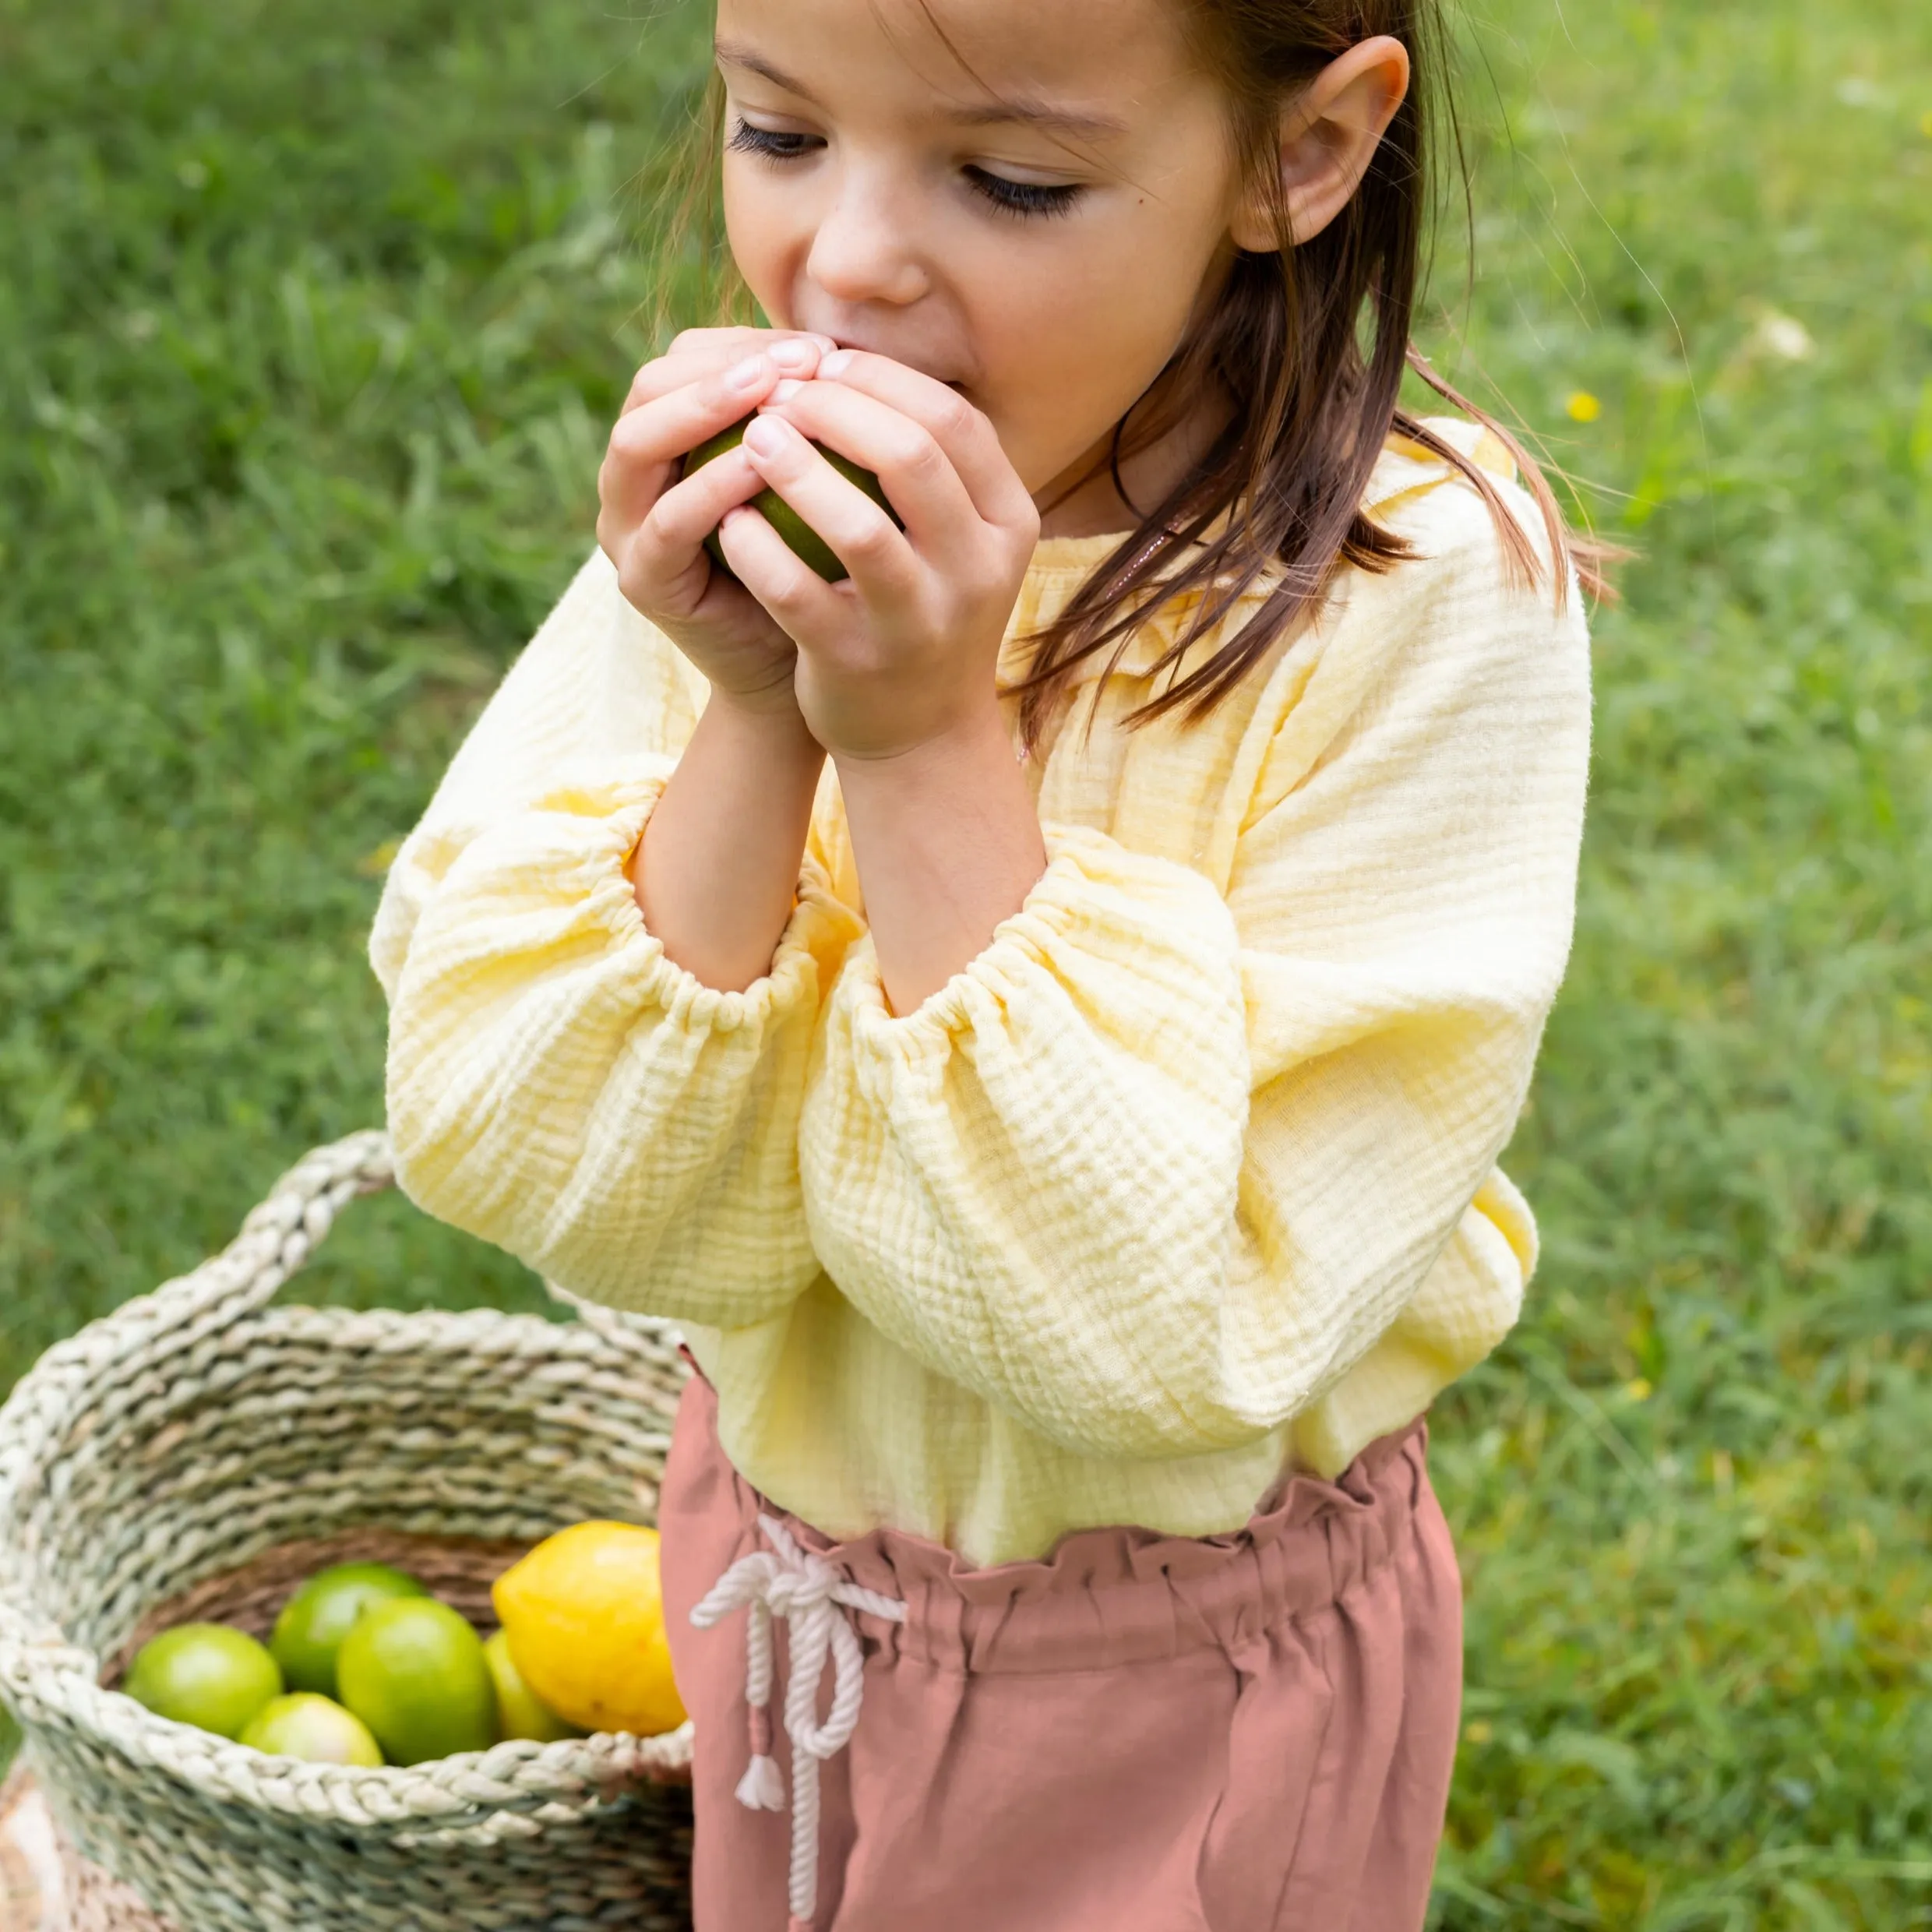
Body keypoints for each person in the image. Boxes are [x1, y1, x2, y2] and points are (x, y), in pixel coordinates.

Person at [371, 0, 1607, 1923]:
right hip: (775, 1582)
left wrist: (930, 743)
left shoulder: (1420, 598)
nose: (844, 259)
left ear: (1302, 152)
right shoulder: (750, 531)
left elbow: (1147, 1335)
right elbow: (558, 1177)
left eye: (1010, 178)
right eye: (777, 132)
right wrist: (756, 715)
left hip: (1172, 1684)